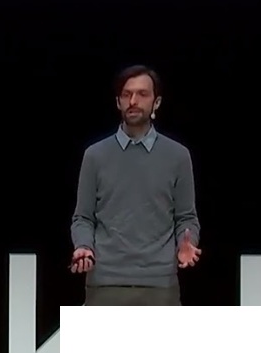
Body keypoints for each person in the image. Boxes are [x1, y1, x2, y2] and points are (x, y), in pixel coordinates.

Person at [69, 65, 201, 306]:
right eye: (126, 94)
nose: (133, 101)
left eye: (142, 94)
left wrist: (188, 242)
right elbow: (83, 218)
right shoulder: (95, 156)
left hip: (160, 286)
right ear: (118, 102)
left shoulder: (178, 156)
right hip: (105, 284)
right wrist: (84, 246)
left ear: (156, 102)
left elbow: (186, 217)